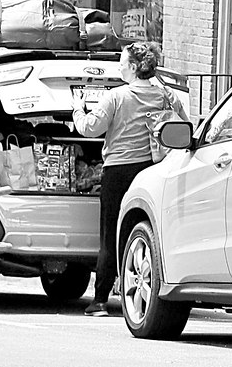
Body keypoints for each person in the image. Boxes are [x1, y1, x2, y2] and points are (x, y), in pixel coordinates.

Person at [71, 40, 186, 317]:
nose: (119, 66)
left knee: (110, 236)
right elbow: (182, 123)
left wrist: (78, 107)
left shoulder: (116, 97)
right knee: (140, 231)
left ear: (133, 68)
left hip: (117, 172)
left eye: (122, 63)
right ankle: (135, 292)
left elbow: (89, 129)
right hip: (149, 171)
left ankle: (99, 301)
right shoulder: (166, 96)